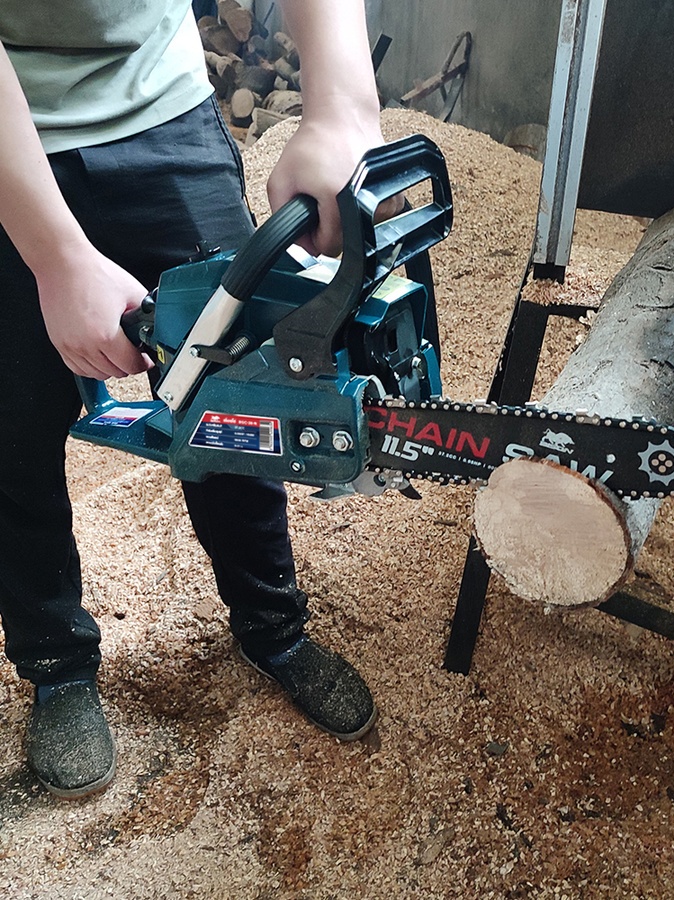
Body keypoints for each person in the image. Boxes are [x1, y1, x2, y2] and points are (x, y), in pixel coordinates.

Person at [0, 0, 384, 799]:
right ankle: (55, 664)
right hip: (13, 139)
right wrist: (57, 256)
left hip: (165, 113)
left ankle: (272, 627)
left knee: (240, 406)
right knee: (12, 436)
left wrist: (343, 107)